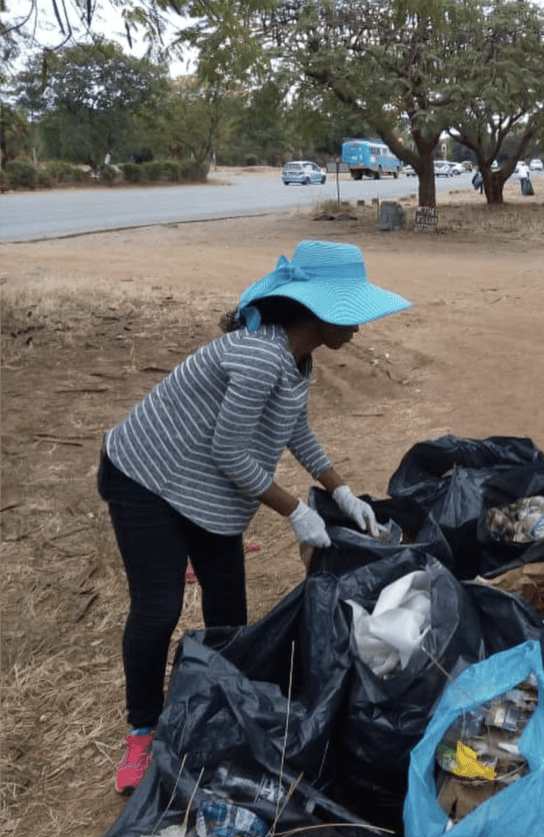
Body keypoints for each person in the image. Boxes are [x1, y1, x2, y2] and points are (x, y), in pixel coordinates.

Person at [98, 240, 411, 792]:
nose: (360, 327)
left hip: (203, 488)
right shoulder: (260, 354)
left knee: (230, 615)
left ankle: (225, 708)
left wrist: (342, 493)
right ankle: (142, 732)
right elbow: (229, 452)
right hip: (145, 477)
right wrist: (295, 512)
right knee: (159, 606)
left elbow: (295, 429)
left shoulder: (298, 358)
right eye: (353, 312)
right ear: (318, 311)